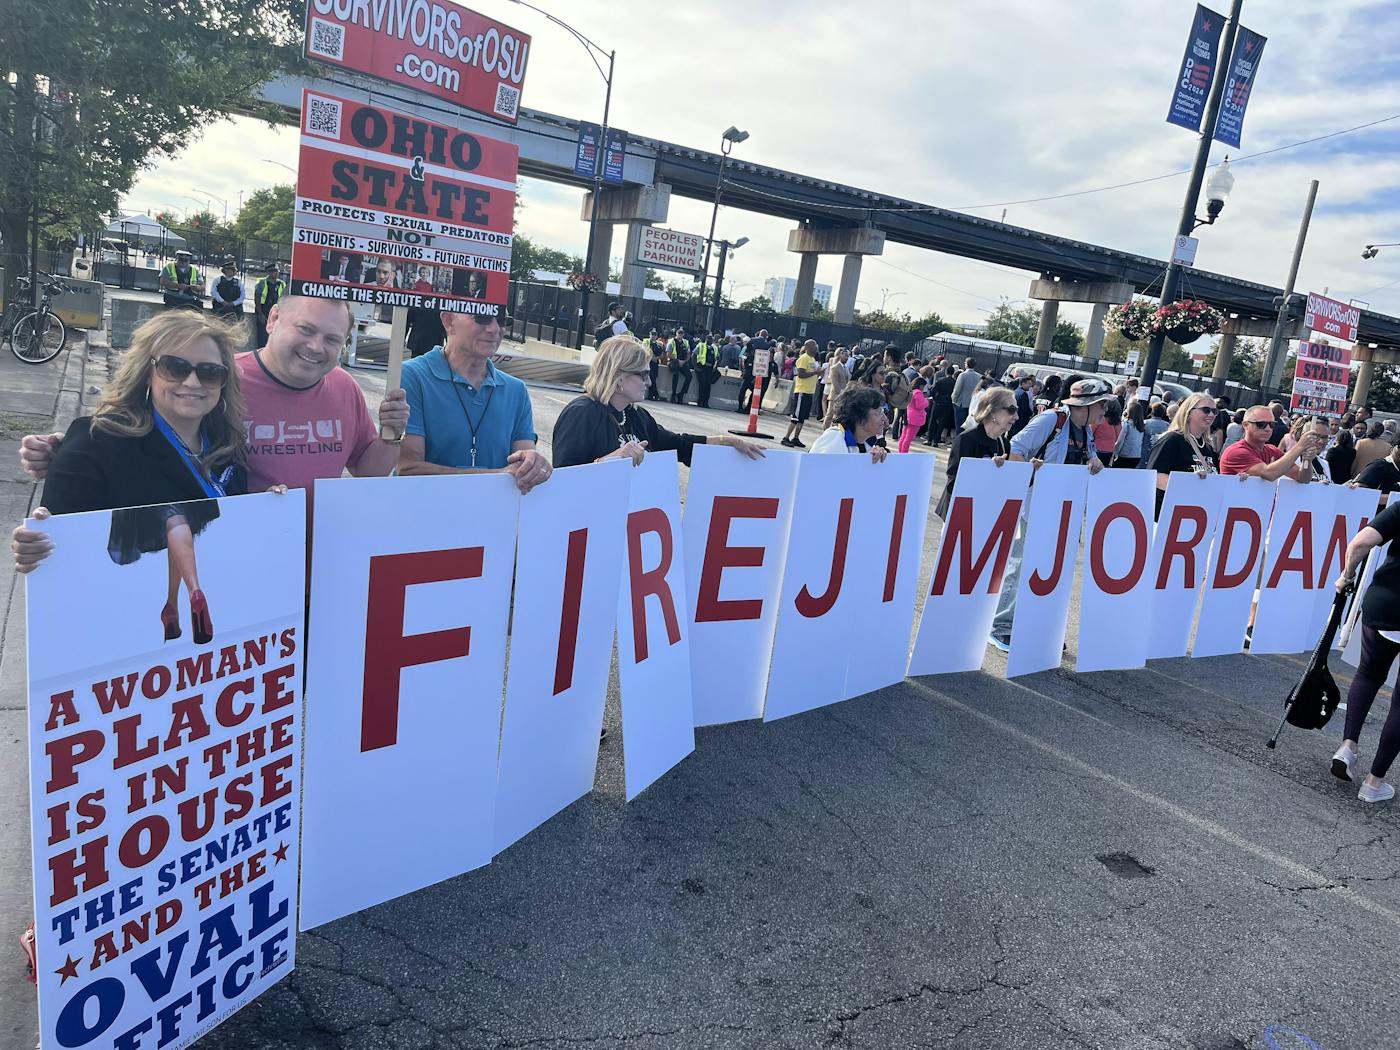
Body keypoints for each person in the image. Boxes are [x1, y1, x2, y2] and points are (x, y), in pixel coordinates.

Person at [11, 313, 253, 639]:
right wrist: (37, 546)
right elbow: (64, 560)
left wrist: (273, 509)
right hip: (126, 632)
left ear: (224, 383)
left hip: (214, 641)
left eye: (210, 373)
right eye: (174, 367)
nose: (193, 382)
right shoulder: (94, 443)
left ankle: (181, 603)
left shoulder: (228, 451)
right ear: (147, 370)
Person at [20, 296, 408, 497]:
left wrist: (391, 434)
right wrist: (68, 448)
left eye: (332, 339)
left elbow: (366, 472)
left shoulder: (344, 387)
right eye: (305, 329)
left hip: (310, 567)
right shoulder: (214, 375)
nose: (315, 346)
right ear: (273, 319)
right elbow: (138, 427)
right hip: (219, 561)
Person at [989, 377, 1112, 652]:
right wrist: (1030, 473)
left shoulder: (1085, 430)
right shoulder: (1052, 421)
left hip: (1063, 510)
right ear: (1088, 405)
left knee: (1050, 569)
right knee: (1020, 565)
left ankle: (1036, 624)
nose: (1105, 411)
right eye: (1102, 404)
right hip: (1035, 506)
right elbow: (1016, 448)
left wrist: (1094, 462)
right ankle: (1002, 626)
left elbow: (1085, 459)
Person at [398, 309, 550, 493]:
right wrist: (496, 476)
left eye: (502, 319)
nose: (494, 328)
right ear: (448, 320)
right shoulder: (412, 376)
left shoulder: (516, 391)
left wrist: (534, 466)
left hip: (493, 517)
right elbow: (406, 468)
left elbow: (522, 468)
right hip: (428, 514)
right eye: (482, 317)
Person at [551, 337, 763, 468]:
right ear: (618, 375)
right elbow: (564, 480)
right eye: (643, 375)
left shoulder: (637, 415)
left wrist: (728, 441)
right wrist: (610, 461)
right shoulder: (581, 413)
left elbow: (679, 445)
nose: (649, 382)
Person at [1329, 510, 1400, 803]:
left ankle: (1348, 746)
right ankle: (1374, 782)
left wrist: (1347, 575)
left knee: (1368, 674)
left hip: (1385, 603)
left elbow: (1359, 544)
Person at [935, 386, 1016, 517]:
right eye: (1012, 410)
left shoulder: (1004, 444)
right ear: (992, 411)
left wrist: (1034, 470)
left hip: (983, 512)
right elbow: (954, 482)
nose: (1016, 416)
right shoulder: (966, 439)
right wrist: (987, 470)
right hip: (959, 514)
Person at [1145, 392, 1218, 516]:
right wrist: (1188, 484)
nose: (1211, 414)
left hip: (1194, 513)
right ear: (1189, 412)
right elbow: (1155, 476)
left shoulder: (1208, 446)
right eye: (1206, 410)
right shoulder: (1172, 439)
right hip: (1167, 513)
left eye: (1214, 411)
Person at [1219, 406, 1320, 482]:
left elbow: (1302, 478)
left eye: (1272, 424)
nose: (1268, 429)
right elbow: (1269, 474)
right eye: (1261, 424)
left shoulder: (1272, 450)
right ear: (1246, 425)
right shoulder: (1236, 451)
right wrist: (1300, 447)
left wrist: (1308, 460)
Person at [809, 386, 888, 462]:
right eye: (878, 412)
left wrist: (874, 460)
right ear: (859, 416)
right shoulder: (834, 438)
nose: (884, 418)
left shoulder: (866, 445)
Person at [781, 339, 822, 448]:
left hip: (809, 391)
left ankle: (796, 438)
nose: (816, 347)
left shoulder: (812, 359)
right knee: (796, 417)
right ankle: (786, 437)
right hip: (802, 391)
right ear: (808, 347)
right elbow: (801, 374)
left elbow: (812, 374)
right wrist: (816, 372)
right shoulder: (804, 358)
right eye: (814, 345)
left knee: (802, 418)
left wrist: (818, 373)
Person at [253, 263, 286, 349]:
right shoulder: (262, 282)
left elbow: (284, 297)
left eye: (276, 271)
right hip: (264, 310)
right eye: (272, 271)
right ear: (268, 272)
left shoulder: (281, 283)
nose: (275, 273)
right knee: (262, 336)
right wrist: (260, 314)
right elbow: (257, 298)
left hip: (276, 311)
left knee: (274, 335)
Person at [1113, 398, 1147, 468]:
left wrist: (1115, 452)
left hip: (1124, 455)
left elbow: (1120, 441)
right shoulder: (1141, 426)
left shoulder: (1126, 424)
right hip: (1136, 456)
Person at [928, 366, 957, 447]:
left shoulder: (940, 380)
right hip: (948, 404)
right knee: (942, 423)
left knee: (932, 421)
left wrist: (934, 398)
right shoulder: (955, 383)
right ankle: (936, 441)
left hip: (938, 402)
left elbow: (933, 391)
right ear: (953, 373)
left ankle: (929, 439)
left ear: (946, 372)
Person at [899, 377, 929, 455]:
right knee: (909, 438)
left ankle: (900, 452)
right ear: (921, 385)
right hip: (915, 418)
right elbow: (919, 405)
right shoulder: (918, 393)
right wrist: (926, 401)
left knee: (903, 436)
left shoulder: (910, 391)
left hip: (907, 415)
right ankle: (904, 454)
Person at [951, 357, 981, 432]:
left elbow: (957, 389)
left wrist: (954, 400)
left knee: (959, 425)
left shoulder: (962, 375)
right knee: (969, 427)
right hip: (973, 404)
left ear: (967, 364)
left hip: (961, 403)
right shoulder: (979, 376)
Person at [823, 348, 851, 426]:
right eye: (845, 356)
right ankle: (825, 431)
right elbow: (835, 384)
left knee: (838, 417)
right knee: (829, 415)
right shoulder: (834, 368)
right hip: (835, 396)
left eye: (848, 356)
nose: (847, 358)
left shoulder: (846, 368)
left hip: (843, 396)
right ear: (840, 355)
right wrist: (842, 394)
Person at [1093, 397, 1123, 467]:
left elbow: (1091, 431)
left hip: (1097, 449)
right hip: (1110, 451)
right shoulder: (1117, 422)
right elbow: (1118, 436)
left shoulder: (1100, 419)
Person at [667, 328, 692, 404]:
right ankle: (673, 395)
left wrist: (684, 361)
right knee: (676, 375)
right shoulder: (671, 342)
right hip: (673, 361)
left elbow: (688, 354)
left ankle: (681, 394)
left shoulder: (686, 342)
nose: (680, 334)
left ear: (683, 334)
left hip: (683, 362)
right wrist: (678, 361)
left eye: (682, 333)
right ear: (676, 334)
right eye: (679, 333)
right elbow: (668, 354)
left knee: (689, 376)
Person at [693, 332, 718, 408]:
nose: (710, 340)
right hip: (702, 368)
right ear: (706, 339)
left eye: (711, 339)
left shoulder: (715, 348)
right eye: (708, 339)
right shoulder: (701, 346)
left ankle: (705, 402)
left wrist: (715, 367)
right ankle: (700, 401)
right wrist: (695, 367)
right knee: (702, 385)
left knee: (708, 386)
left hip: (710, 369)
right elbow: (693, 355)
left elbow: (717, 359)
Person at [646, 329, 666, 401]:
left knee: (653, 378)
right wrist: (652, 358)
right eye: (652, 334)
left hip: (655, 362)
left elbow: (663, 353)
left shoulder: (659, 343)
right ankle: (655, 394)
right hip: (648, 362)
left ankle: (652, 395)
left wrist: (657, 358)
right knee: (650, 378)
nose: (653, 336)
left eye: (654, 335)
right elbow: (645, 349)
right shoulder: (646, 341)